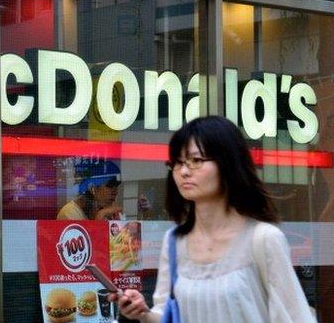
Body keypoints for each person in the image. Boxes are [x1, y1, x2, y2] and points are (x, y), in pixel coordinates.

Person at [110, 115, 314, 322]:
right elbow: (166, 314)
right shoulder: (174, 242)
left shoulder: (263, 239)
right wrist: (142, 312)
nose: (184, 171)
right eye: (178, 163)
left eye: (196, 161)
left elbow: (296, 316)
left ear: (228, 164)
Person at [57, 159, 122, 220]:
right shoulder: (70, 213)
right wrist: (100, 216)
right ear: (92, 189)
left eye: (116, 186)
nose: (115, 192)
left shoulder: (105, 210)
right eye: (110, 186)